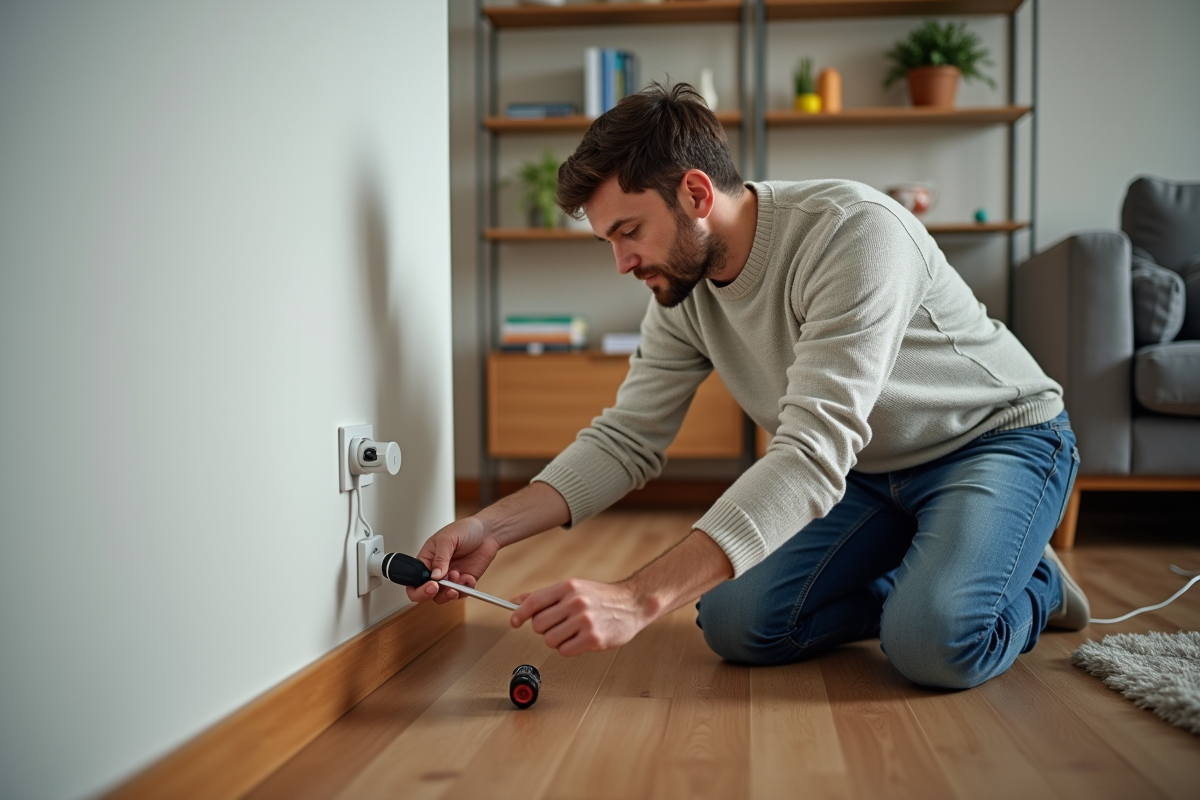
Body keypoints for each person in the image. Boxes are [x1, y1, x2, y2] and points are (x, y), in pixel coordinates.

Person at [410, 82, 1089, 689]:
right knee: (736, 623)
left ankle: (1030, 584)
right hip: (867, 469)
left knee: (933, 645)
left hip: (996, 441)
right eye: (607, 242)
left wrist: (639, 597)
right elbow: (626, 441)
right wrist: (488, 526)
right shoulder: (682, 292)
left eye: (629, 232)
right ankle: (942, 570)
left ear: (697, 194)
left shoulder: (854, 234)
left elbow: (812, 452)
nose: (621, 263)